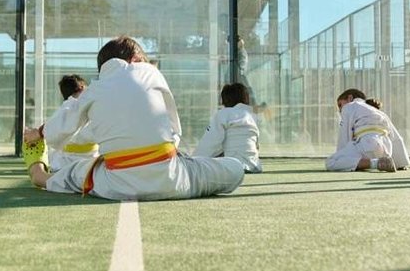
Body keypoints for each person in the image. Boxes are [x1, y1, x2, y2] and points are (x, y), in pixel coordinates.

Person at [20, 36, 244, 201]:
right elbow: (174, 128)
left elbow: (64, 123)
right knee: (235, 168)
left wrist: (37, 133)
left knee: (72, 174)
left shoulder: (94, 90)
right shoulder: (151, 72)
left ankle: (39, 174)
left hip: (116, 184)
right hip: (173, 178)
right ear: (136, 58)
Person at [324, 88, 410, 173]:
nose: (340, 110)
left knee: (331, 162)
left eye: (340, 105)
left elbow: (344, 134)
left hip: (367, 146)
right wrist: (401, 163)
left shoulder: (349, 107)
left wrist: (342, 156)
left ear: (350, 98)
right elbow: (395, 136)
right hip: (386, 149)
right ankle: (383, 161)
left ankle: (375, 163)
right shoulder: (377, 111)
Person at [193, 82, 262, 173]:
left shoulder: (223, 114)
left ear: (224, 99)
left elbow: (210, 143)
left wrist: (193, 161)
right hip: (255, 166)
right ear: (246, 98)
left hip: (233, 167)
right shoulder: (253, 116)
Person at [41, 74, 98, 173]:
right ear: (82, 87)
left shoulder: (63, 110)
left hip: (64, 165)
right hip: (89, 163)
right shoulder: (89, 107)